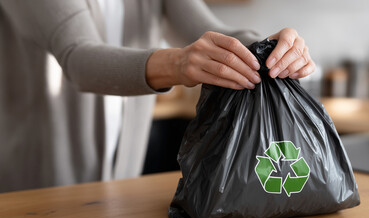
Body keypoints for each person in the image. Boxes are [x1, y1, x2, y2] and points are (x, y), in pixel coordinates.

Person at [0, 0, 315, 192]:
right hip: (38, 181)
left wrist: (268, 46)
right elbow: (79, 58)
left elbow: (207, 29)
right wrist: (178, 63)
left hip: (121, 178)